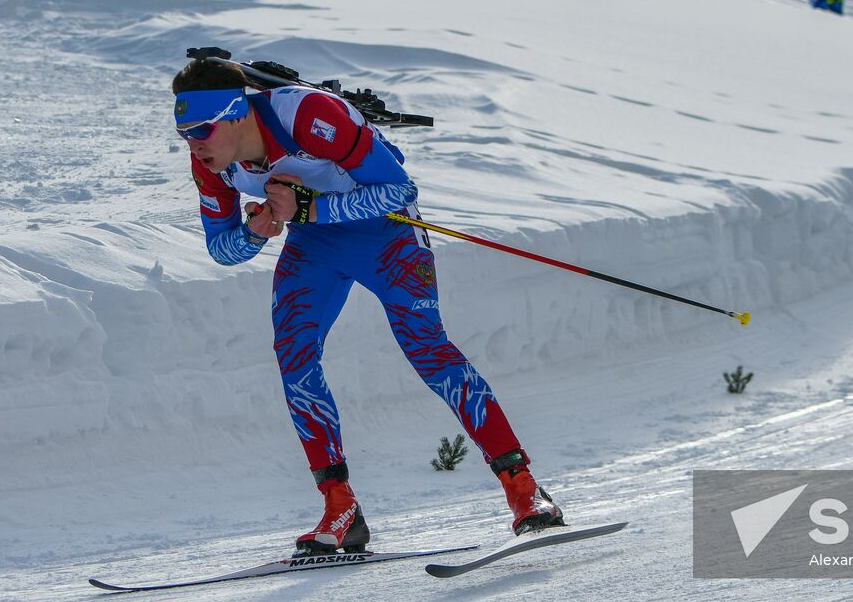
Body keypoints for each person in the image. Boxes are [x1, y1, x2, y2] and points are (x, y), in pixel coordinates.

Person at [171, 58, 565, 553]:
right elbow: (221, 249)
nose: (194, 143)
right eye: (183, 132)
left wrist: (310, 207)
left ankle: (523, 489)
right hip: (315, 243)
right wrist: (255, 232)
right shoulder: (209, 161)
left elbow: (399, 189)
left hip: (386, 235)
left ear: (234, 114)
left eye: (201, 129)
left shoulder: (309, 114)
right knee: (294, 356)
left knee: (428, 350)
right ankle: (340, 506)